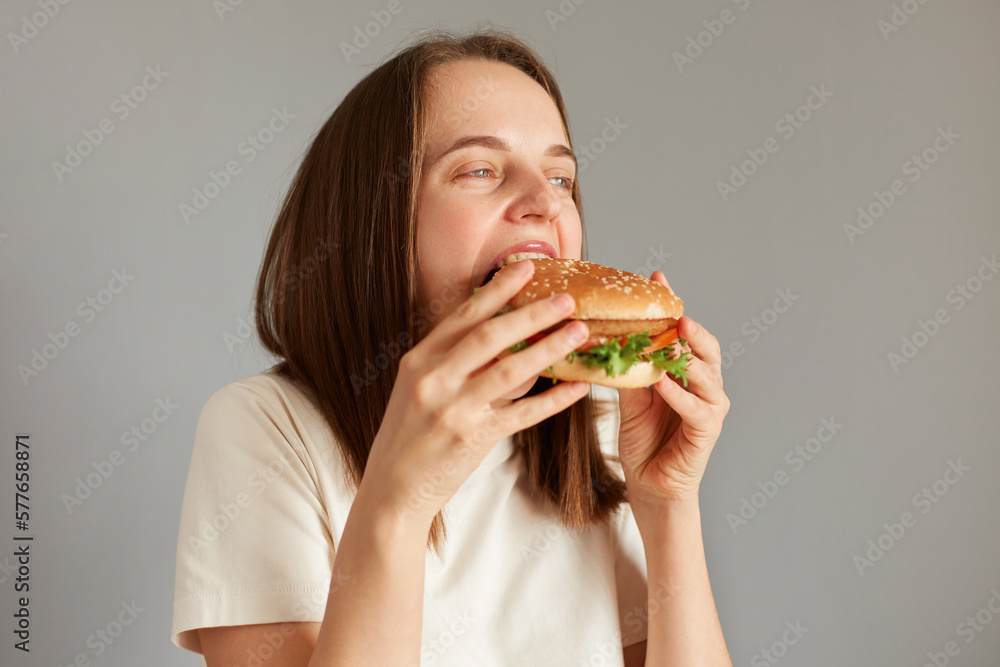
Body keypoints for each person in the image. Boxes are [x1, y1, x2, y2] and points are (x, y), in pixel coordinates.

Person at [171, 28, 733, 666]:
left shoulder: (599, 421)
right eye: (480, 170)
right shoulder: (266, 427)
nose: (543, 203)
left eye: (560, 177)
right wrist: (401, 502)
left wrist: (668, 507)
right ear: (374, 218)